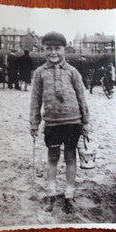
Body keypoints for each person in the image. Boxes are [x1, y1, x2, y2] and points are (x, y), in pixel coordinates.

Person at [29, 32, 90, 214]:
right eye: (49, 48)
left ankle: (69, 195)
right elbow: (35, 100)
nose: (53, 52)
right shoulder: (40, 73)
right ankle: (51, 193)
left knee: (71, 157)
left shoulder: (73, 72)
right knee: (53, 157)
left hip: (73, 122)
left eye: (57, 48)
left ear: (65, 49)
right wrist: (34, 123)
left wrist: (85, 122)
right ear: (43, 49)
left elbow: (82, 98)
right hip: (52, 124)